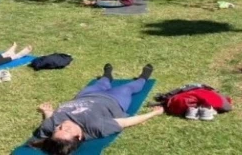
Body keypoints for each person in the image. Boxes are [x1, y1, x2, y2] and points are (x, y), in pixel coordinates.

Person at [27, 64, 163, 155]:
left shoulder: (50, 127)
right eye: (67, 130)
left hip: (85, 96)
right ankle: (143, 77)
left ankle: (107, 74)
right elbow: (127, 121)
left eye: (58, 129)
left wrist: (47, 112)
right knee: (130, 87)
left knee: (102, 82)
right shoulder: (96, 127)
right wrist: (154, 113)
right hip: (113, 100)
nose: (63, 126)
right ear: (79, 136)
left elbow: (49, 120)